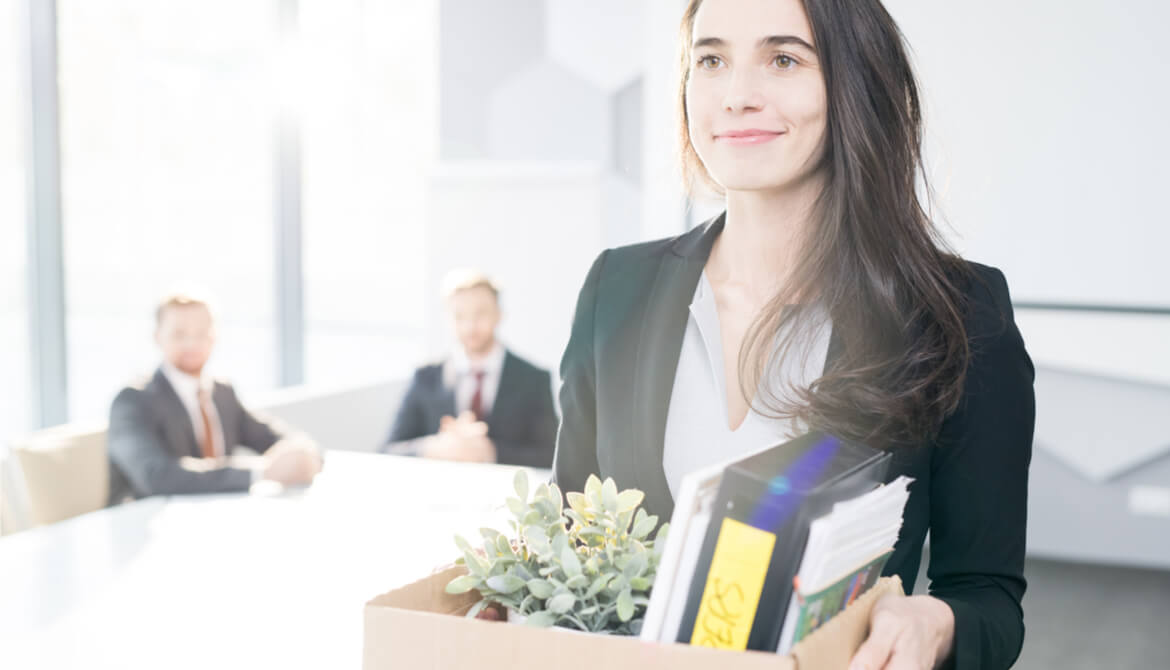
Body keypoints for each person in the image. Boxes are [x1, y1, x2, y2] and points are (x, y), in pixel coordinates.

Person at [552, 1, 1034, 669]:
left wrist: (932, 622)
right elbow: (568, 540)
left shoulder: (959, 312)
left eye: (783, 59)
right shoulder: (617, 288)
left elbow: (987, 597)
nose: (737, 96)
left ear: (856, 83)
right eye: (711, 60)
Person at [108, 292, 322, 502]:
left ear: (214, 336)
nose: (192, 344)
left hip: (214, 517)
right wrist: (261, 472)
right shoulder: (132, 401)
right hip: (141, 525)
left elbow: (275, 436)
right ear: (158, 337)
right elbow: (155, 476)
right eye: (179, 334)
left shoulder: (222, 392)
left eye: (201, 333)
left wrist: (303, 455)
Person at [383, 270, 558, 468]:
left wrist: (491, 452)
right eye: (459, 316)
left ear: (498, 314)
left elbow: (553, 455)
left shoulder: (534, 379)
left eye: (480, 313)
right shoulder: (425, 377)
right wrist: (434, 447)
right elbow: (388, 449)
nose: (470, 326)